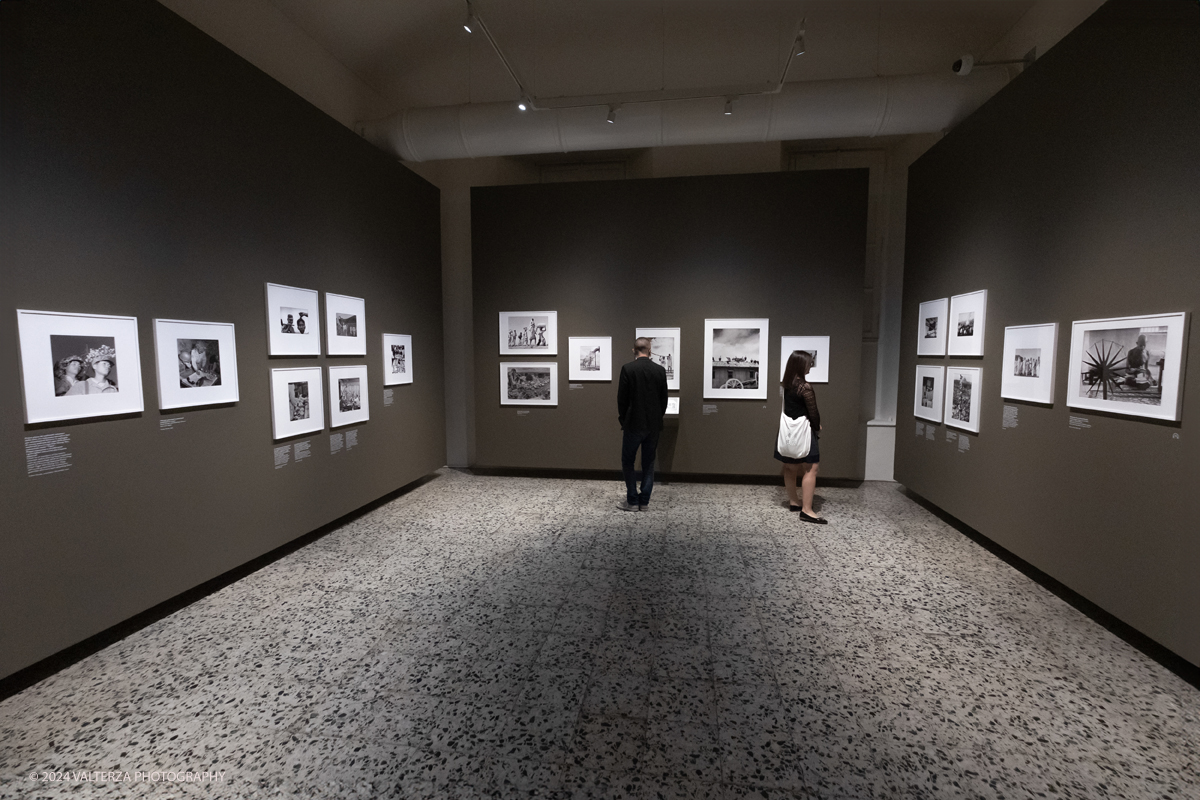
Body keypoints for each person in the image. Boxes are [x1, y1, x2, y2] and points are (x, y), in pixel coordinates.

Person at [616, 337, 668, 512]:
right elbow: (664, 400)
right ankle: (644, 502)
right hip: (653, 425)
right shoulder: (660, 371)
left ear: (634, 350)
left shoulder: (628, 369)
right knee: (649, 463)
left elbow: (621, 399)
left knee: (628, 461)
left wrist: (624, 419)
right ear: (650, 350)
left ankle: (632, 501)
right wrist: (657, 418)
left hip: (633, 424)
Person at [775, 350, 825, 523]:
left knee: (789, 467)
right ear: (801, 365)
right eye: (808, 363)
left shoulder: (787, 384)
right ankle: (807, 510)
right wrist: (817, 427)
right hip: (804, 432)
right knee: (811, 469)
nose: (810, 366)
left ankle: (794, 502)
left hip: (788, 431)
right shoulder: (805, 386)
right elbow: (814, 413)